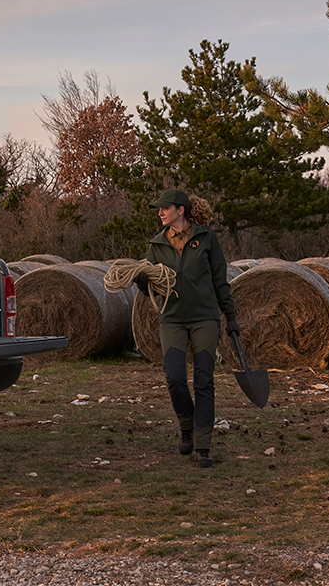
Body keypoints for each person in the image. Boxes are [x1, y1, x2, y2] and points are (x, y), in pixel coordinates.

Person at [134, 189, 240, 468]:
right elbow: (151, 291)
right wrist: (142, 281)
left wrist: (230, 317)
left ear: (180, 210)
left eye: (164, 208)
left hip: (205, 318)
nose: (159, 213)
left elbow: (220, 280)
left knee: (205, 381)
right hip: (171, 319)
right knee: (175, 377)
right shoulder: (156, 245)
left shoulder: (207, 238)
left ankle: (203, 445)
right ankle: (186, 426)